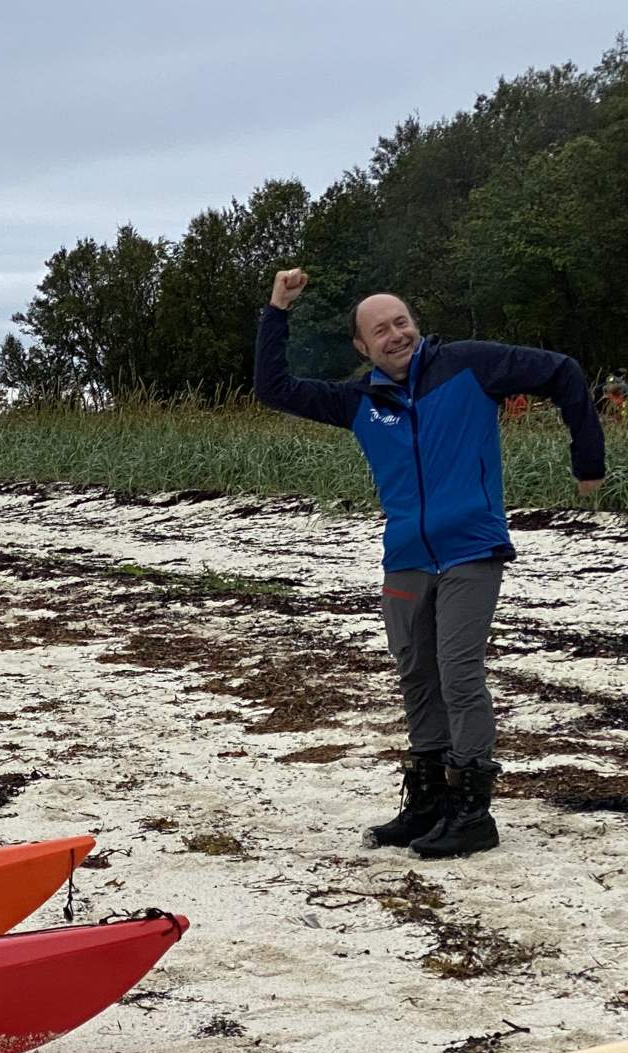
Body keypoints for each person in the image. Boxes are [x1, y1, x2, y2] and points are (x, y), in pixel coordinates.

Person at [254, 269, 605, 858]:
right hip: (407, 558)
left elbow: (563, 372)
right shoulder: (360, 400)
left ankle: (472, 809)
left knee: (458, 669)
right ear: (362, 348)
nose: (396, 334)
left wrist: (586, 459)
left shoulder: (469, 365)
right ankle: (429, 801)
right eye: (380, 329)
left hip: (472, 546)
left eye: (402, 321)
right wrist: (278, 309)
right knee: (417, 672)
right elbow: (275, 388)